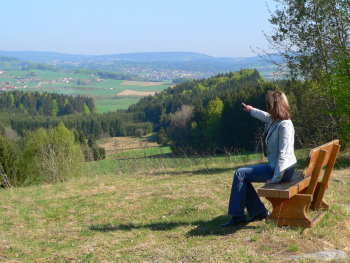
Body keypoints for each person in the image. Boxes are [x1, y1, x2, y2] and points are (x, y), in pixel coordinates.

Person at [221, 90, 297, 227]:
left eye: (269, 104)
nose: (267, 107)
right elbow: (265, 116)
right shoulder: (275, 120)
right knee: (243, 176)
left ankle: (238, 217)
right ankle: (258, 212)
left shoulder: (284, 125)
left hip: (282, 170)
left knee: (240, 174)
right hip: (279, 167)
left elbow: (283, 155)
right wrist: (251, 110)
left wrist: (275, 178)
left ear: (274, 106)